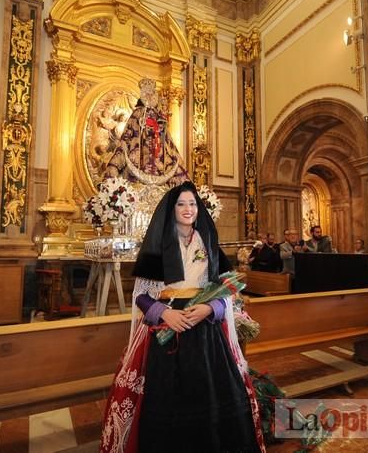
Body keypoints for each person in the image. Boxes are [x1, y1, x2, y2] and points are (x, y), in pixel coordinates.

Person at [100, 182, 265, 453]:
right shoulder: (157, 244)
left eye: (192, 204)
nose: (188, 209)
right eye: (181, 204)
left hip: (206, 333)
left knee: (212, 393)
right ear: (171, 209)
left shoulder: (208, 241)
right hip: (166, 330)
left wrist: (210, 309)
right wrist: (165, 313)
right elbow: (141, 296)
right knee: (167, 397)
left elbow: (229, 290)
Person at [104, 77, 189, 186]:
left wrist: (180, 171)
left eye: (152, 93)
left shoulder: (160, 118)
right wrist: (114, 167)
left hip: (160, 168)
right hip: (137, 170)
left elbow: (169, 146)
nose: (150, 96)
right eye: (147, 93)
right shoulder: (138, 114)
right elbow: (126, 140)